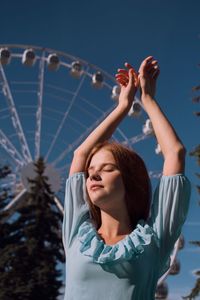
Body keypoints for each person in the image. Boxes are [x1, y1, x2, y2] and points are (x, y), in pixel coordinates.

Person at [62, 56, 191, 300]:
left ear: (130, 180)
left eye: (107, 168)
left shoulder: (154, 240)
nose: (93, 175)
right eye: (90, 172)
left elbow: (175, 153)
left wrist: (148, 100)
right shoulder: (76, 233)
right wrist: (122, 106)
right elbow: (80, 155)